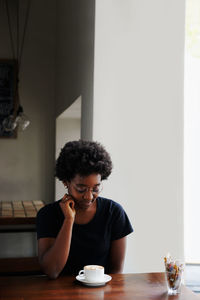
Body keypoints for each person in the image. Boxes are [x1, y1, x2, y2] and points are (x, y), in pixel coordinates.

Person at [36, 140, 133, 279]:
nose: (88, 196)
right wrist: (69, 220)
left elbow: (116, 272)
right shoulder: (47, 215)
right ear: (66, 182)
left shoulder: (114, 212)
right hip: (59, 294)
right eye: (81, 189)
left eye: (96, 188)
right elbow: (52, 271)